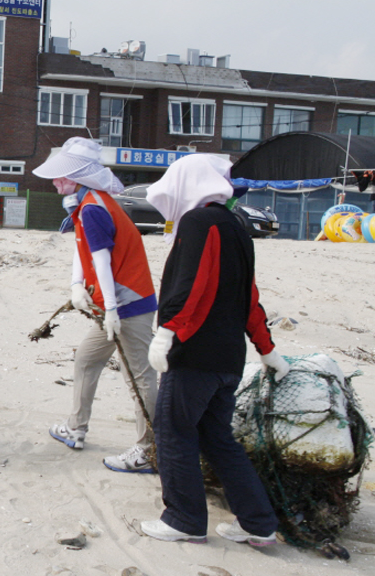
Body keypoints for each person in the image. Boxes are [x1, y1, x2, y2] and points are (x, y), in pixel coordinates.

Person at [140, 154, 290, 546]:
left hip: (195, 355)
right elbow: (249, 296)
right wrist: (266, 348)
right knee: (216, 437)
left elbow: (191, 283)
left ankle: (184, 519)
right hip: (228, 358)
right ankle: (259, 524)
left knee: (174, 432)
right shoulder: (237, 226)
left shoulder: (199, 222)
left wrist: (167, 333)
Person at [32, 137, 159, 473]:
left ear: (79, 176)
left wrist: (114, 311)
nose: (56, 182)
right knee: (87, 360)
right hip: (109, 305)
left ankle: (150, 450)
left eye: (62, 176)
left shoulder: (93, 208)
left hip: (129, 304)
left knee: (140, 377)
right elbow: (83, 249)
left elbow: (102, 261)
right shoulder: (86, 203)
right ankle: (76, 428)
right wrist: (76, 286)